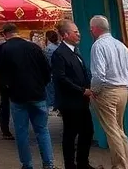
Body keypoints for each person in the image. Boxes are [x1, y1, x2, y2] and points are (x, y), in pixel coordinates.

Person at [0, 23, 54, 169]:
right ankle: (48, 163)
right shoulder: (34, 47)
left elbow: (1, 76)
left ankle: (27, 164)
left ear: (5, 34)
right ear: (17, 32)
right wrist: (41, 85)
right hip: (37, 94)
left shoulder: (2, 49)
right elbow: (46, 71)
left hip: (17, 97)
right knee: (42, 130)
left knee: (21, 132)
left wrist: (7, 93)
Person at [88, 14, 128, 169]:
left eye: (91, 29)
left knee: (112, 131)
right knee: (119, 129)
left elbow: (99, 74)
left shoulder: (98, 45)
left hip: (107, 91)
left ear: (95, 29)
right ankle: (124, 164)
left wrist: (94, 91)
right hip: (122, 90)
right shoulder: (120, 45)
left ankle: (122, 166)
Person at [51, 18, 98, 169]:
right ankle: (70, 164)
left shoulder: (75, 52)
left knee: (87, 131)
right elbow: (61, 78)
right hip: (70, 102)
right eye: (75, 32)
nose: (79, 35)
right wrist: (81, 90)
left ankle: (83, 162)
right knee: (71, 134)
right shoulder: (59, 54)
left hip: (82, 101)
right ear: (65, 34)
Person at [44, 30, 60, 112]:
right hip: (60, 72)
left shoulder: (48, 49)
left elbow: (47, 63)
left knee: (50, 90)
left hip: (51, 73)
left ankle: (52, 106)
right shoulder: (60, 46)